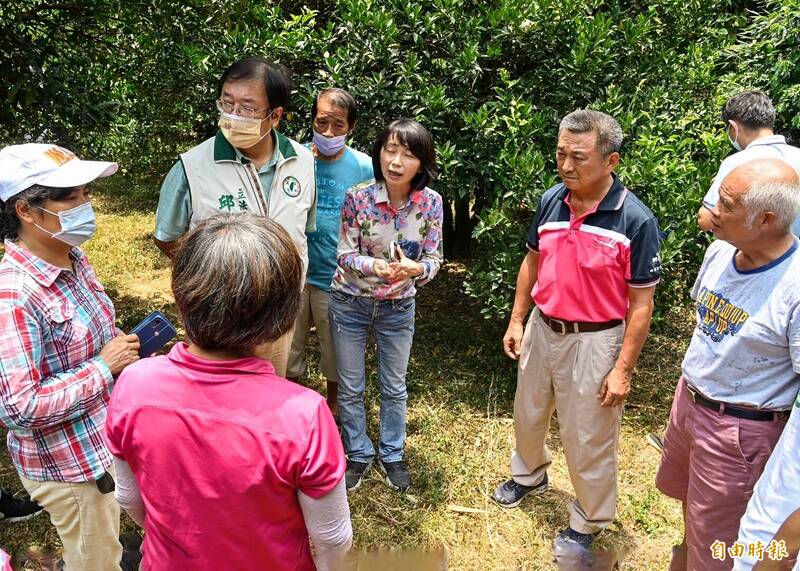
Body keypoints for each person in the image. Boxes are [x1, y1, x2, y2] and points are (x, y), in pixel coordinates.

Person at [106, 213, 351, 571]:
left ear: (183, 295)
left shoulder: (133, 383)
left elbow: (128, 496)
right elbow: (332, 537)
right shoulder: (304, 414)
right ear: (282, 315)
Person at [491, 110, 663, 556]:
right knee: (527, 412)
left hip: (596, 340)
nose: (566, 166)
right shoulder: (552, 201)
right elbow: (532, 261)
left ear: (612, 161)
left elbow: (641, 304)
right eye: (561, 154)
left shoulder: (635, 221)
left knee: (589, 433)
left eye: (579, 157)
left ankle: (589, 516)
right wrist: (517, 319)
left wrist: (622, 369)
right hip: (542, 328)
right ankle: (529, 474)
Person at [0, 143, 141, 571]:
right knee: (94, 561)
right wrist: (104, 366)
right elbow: (18, 407)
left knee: (104, 547)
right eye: (70, 197)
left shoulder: (72, 257)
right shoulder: (15, 295)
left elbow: (92, 331)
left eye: (85, 193)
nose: (85, 205)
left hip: (102, 443)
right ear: (26, 210)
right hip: (71, 468)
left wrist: (120, 347)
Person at [656, 159, 800, 571]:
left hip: (738, 431)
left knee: (721, 540)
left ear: (766, 219)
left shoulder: (794, 288)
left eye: (727, 204)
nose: (712, 210)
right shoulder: (721, 252)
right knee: (690, 508)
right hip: (691, 401)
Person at [152, 56, 316, 376]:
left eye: (247, 108)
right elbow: (167, 237)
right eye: (227, 104)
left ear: (275, 116)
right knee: (214, 400)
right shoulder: (192, 167)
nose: (233, 116)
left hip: (277, 317)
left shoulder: (304, 162)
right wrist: (209, 275)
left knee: (268, 397)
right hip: (218, 318)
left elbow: (303, 230)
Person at [330, 118, 443, 493]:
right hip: (350, 302)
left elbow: (434, 259)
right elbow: (345, 254)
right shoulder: (358, 197)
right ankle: (358, 452)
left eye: (407, 154)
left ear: (421, 164)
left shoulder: (431, 204)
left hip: (398, 308)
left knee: (394, 387)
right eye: (389, 150)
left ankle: (392, 453)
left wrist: (416, 270)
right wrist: (373, 265)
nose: (395, 161)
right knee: (350, 386)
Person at [287, 88, 374, 416]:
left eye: (338, 125)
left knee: (335, 347)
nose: (328, 132)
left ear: (351, 128)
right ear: (311, 121)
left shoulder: (364, 167)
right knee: (288, 342)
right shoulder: (296, 160)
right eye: (321, 122)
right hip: (293, 272)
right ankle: (290, 404)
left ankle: (334, 406)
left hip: (336, 277)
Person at [698, 91, 800, 234]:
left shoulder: (736, 163)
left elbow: (706, 220)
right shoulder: (797, 156)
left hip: (750, 253)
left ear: (733, 127)